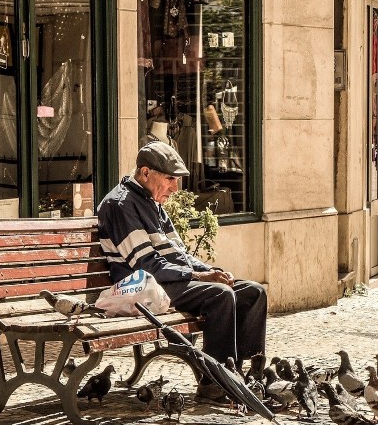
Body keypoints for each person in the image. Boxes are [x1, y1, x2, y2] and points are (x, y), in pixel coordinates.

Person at [97, 141, 267, 402]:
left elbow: (180, 254)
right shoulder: (121, 205)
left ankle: (243, 375)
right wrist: (201, 277)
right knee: (219, 295)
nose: (175, 189)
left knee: (253, 292)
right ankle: (215, 383)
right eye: (170, 179)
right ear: (145, 173)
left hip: (164, 281)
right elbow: (145, 265)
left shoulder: (151, 202)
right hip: (142, 289)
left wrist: (211, 270)